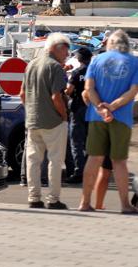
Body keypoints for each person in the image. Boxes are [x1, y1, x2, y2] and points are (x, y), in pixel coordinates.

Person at [78, 30, 138, 213]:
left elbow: (88, 88)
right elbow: (133, 91)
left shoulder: (96, 60)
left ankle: (85, 202)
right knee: (119, 161)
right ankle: (125, 205)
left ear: (109, 43)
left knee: (94, 158)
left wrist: (101, 108)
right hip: (121, 118)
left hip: (96, 117)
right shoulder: (134, 62)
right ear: (126, 44)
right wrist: (112, 107)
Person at [20, 32, 70, 210]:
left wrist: (32, 110)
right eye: (66, 52)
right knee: (55, 161)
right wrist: (63, 116)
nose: (67, 56)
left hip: (33, 120)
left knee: (33, 160)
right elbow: (57, 96)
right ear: (58, 48)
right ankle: (53, 199)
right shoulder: (55, 67)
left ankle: (34, 197)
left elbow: (22, 94)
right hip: (53, 121)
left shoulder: (31, 65)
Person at [64, 47, 92, 184]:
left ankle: (78, 171)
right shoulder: (94, 72)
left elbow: (69, 91)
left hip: (77, 109)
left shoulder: (76, 73)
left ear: (79, 58)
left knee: (76, 142)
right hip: (91, 109)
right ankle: (89, 169)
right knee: (88, 141)